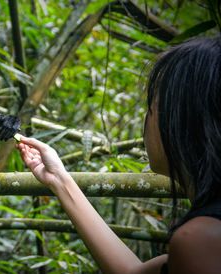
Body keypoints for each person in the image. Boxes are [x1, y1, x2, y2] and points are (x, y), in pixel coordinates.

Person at [16, 36, 221, 274]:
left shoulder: (200, 240)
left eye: (152, 106)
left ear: (183, 121)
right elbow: (131, 271)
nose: (146, 120)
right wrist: (59, 179)